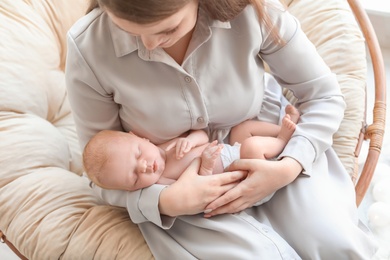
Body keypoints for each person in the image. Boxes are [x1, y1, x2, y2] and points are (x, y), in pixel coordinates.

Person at [65, 0, 377, 259]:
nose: (148, 45)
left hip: (272, 151)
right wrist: (166, 201)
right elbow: (101, 173)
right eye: (126, 29)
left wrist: (289, 167)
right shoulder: (88, 48)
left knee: (336, 244)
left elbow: (323, 95)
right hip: (183, 194)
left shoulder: (253, 12)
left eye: (168, 28)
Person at [83, 106, 298, 199]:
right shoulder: (163, 183)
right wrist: (204, 165)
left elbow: (203, 136)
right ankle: (281, 141)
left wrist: (190, 139)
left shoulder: (167, 146)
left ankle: (284, 128)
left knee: (242, 130)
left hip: (232, 151)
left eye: (139, 154)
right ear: (131, 190)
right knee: (252, 147)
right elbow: (201, 189)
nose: (144, 166)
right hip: (244, 177)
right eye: (134, 177)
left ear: (141, 137)